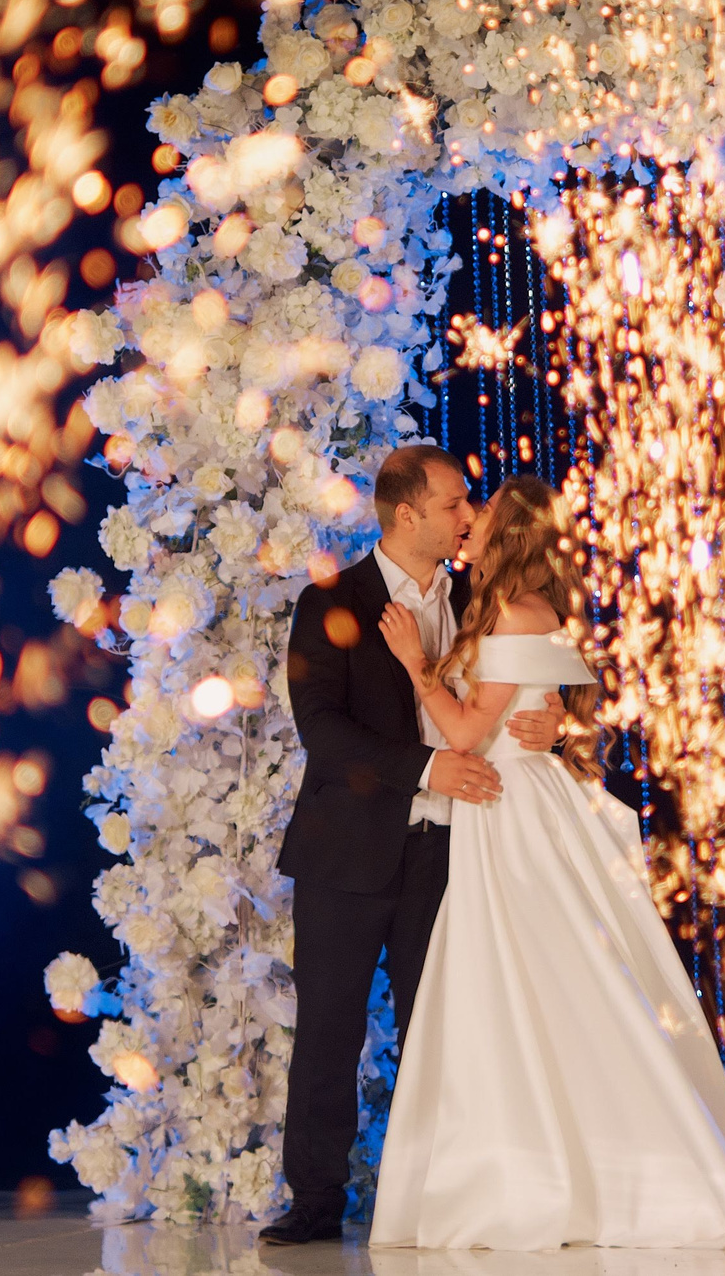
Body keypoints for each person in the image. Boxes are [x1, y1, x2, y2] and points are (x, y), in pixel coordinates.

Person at [368, 476, 725, 1251]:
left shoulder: (510, 610)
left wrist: (416, 666)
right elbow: (571, 710)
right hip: (515, 806)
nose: (470, 522)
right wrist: (562, 725)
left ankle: (562, 1176)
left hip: (511, 815)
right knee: (539, 982)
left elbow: (466, 735)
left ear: (510, 534)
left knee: (538, 979)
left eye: (485, 514)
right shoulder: (526, 609)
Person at [262, 446, 566, 1247]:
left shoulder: (481, 595)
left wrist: (559, 717)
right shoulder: (331, 601)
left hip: (452, 852)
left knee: (444, 1027)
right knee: (330, 1028)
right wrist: (430, 764)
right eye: (455, 503)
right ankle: (317, 1202)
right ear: (407, 515)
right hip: (347, 854)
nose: (469, 516)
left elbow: (537, 666)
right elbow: (323, 733)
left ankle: (442, 1198)